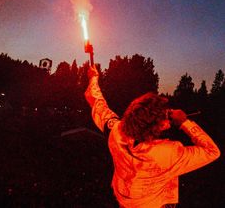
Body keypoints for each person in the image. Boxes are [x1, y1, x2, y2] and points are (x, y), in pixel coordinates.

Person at [84, 65, 220, 208]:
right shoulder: (169, 153)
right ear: (157, 126)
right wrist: (185, 123)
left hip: (124, 201)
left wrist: (93, 78)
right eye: (165, 114)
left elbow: (98, 105)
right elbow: (212, 151)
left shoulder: (116, 131)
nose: (168, 114)